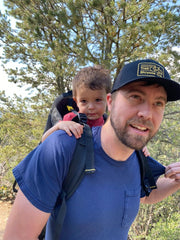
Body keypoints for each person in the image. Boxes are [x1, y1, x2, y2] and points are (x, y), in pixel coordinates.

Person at [3, 59, 180, 240]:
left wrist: (176, 181)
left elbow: (146, 194)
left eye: (158, 103)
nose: (147, 113)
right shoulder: (63, 147)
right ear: (110, 102)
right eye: (135, 97)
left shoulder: (140, 157)